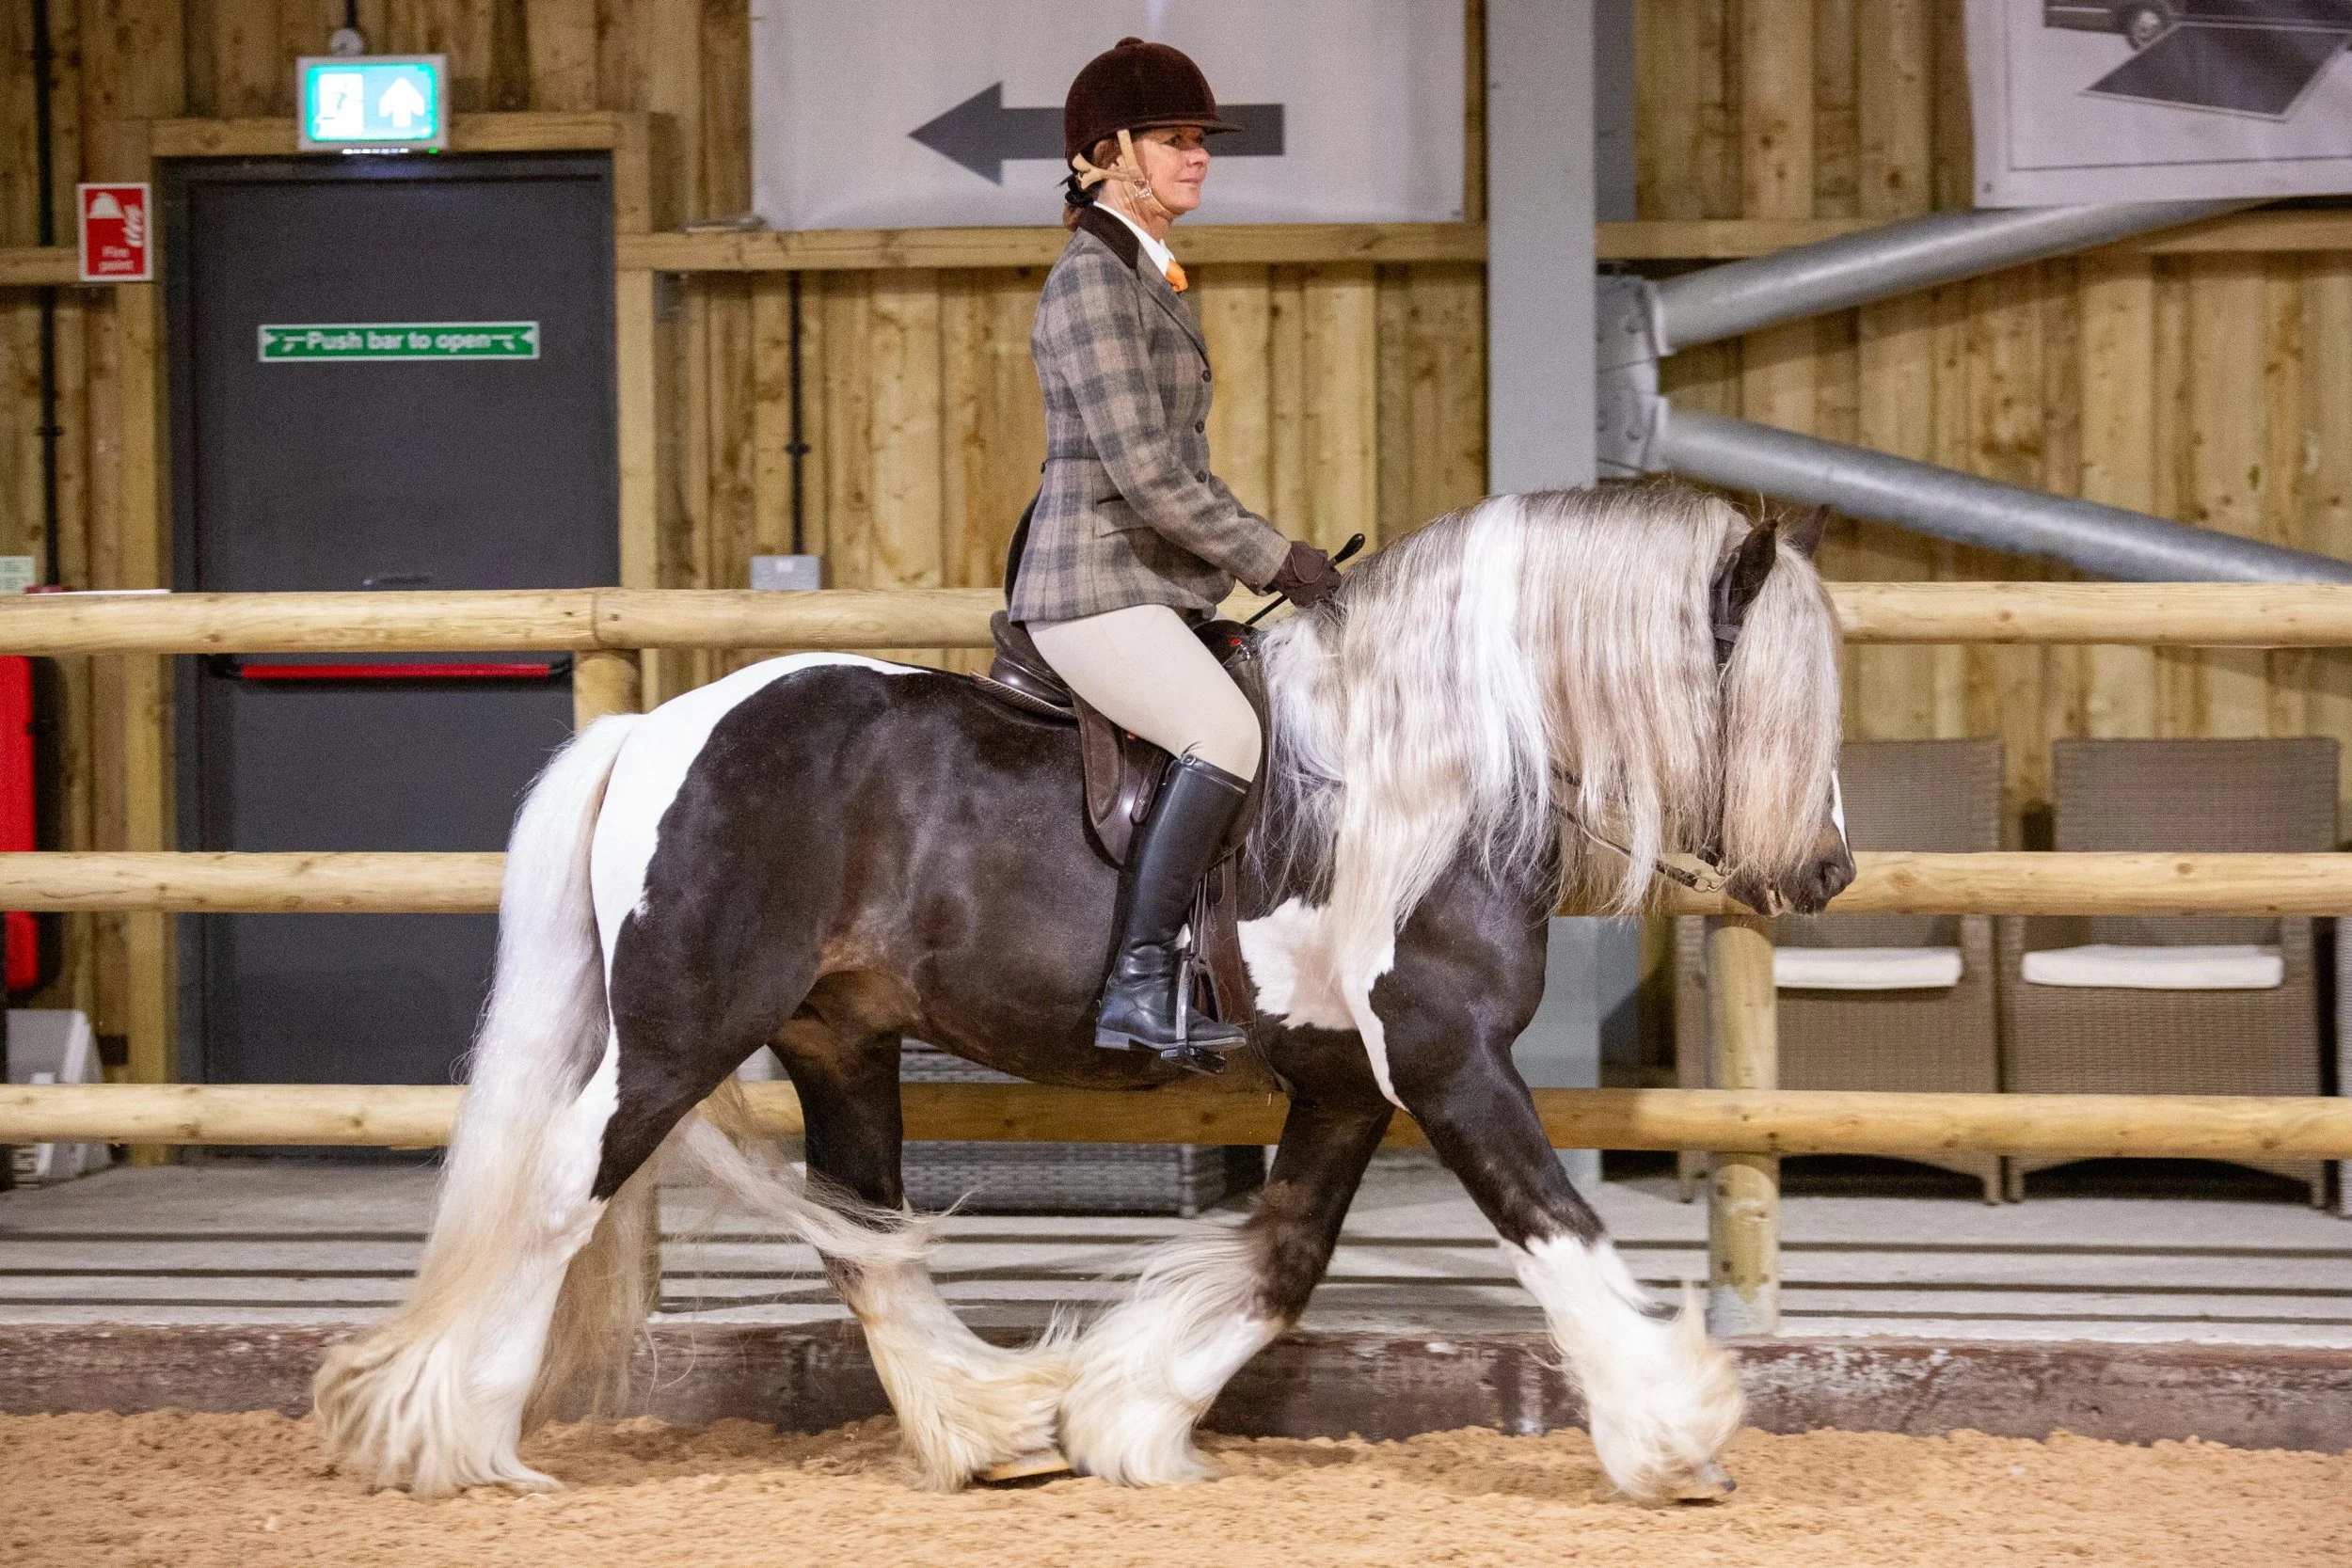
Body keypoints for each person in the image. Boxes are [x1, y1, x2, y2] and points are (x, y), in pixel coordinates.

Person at [1009, 37, 1344, 1066]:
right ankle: (1140, 981)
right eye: (1172, 139)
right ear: (1109, 153)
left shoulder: (1144, 274)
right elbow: (1148, 475)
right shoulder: (1091, 286)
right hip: (1089, 586)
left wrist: (1264, 551)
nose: (1196, 157)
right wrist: (1272, 557)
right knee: (1222, 735)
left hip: (1142, 580)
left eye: (1199, 140)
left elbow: (1178, 475)